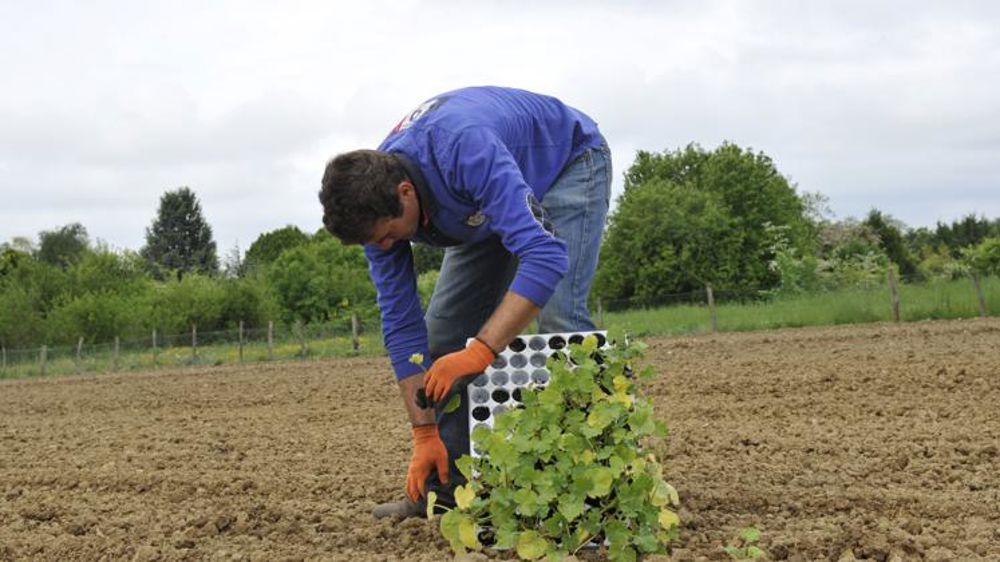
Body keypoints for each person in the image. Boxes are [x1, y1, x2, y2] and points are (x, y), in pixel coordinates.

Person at [319, 86, 611, 518]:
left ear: (405, 192)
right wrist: (423, 433)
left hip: (567, 162)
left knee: (561, 322)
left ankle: (596, 487)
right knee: (442, 337)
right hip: (480, 205)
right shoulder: (372, 210)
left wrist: (482, 349)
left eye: (387, 234)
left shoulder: (462, 149)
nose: (382, 246)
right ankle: (446, 490)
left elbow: (545, 256)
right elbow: (402, 326)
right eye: (372, 241)